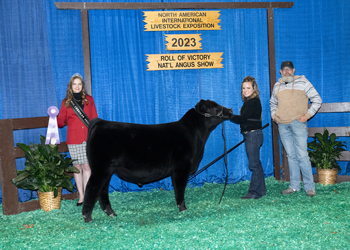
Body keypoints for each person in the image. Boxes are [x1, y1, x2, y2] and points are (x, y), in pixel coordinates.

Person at [270, 61, 322, 197]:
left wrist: (307, 116)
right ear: (280, 72)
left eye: (289, 69)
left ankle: (310, 187)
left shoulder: (303, 82)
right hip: (282, 124)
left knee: (302, 155)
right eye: (284, 70)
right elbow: (272, 103)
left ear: (293, 70)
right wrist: (274, 116)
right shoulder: (277, 86)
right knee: (291, 156)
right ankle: (294, 186)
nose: (286, 72)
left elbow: (317, 99)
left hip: (298, 123)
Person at [57, 73, 98, 206]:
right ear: (71, 86)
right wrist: (59, 113)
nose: (77, 86)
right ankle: (80, 195)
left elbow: (95, 119)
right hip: (73, 139)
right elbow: (60, 124)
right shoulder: (66, 102)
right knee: (77, 167)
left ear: (82, 86)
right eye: (74, 84)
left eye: (79, 84)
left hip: (88, 137)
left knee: (87, 166)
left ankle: (87, 195)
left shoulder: (89, 99)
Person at [230, 76, 266, 199]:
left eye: (248, 88)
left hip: (252, 135)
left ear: (254, 89)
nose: (245, 90)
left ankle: (254, 192)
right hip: (253, 134)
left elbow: (242, 118)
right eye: (243, 88)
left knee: (253, 165)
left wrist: (228, 115)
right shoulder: (249, 102)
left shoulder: (253, 102)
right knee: (256, 163)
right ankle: (261, 190)